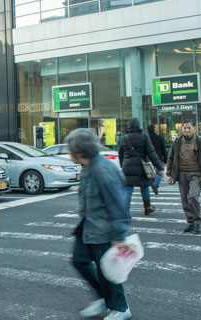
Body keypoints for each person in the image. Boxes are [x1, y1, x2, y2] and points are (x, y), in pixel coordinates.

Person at [67, 129, 132, 320]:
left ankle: (121, 308)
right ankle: (104, 298)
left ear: (80, 153)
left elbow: (118, 204)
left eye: (70, 151)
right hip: (88, 225)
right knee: (79, 260)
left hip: (104, 229)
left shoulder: (103, 170)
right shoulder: (88, 166)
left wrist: (118, 236)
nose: (69, 154)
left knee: (108, 271)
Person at [166, 119, 201, 235]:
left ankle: (197, 221)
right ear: (181, 129)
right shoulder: (177, 142)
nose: (186, 130)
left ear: (194, 129)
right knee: (185, 200)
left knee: (192, 196)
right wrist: (169, 174)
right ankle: (190, 222)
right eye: (184, 128)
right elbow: (171, 158)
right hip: (181, 173)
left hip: (196, 173)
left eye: (189, 128)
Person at [118, 118, 164, 215]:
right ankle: (147, 207)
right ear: (139, 126)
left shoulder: (124, 138)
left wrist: (122, 166)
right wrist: (160, 167)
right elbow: (151, 153)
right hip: (141, 167)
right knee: (144, 186)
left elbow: (120, 154)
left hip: (127, 166)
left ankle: (125, 210)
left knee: (128, 188)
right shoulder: (144, 137)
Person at [147, 124, 167, 195]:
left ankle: (153, 184)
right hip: (158, 157)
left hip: (148, 158)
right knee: (159, 173)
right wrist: (165, 160)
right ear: (154, 129)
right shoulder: (159, 138)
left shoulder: (146, 138)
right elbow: (164, 149)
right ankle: (155, 184)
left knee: (151, 173)